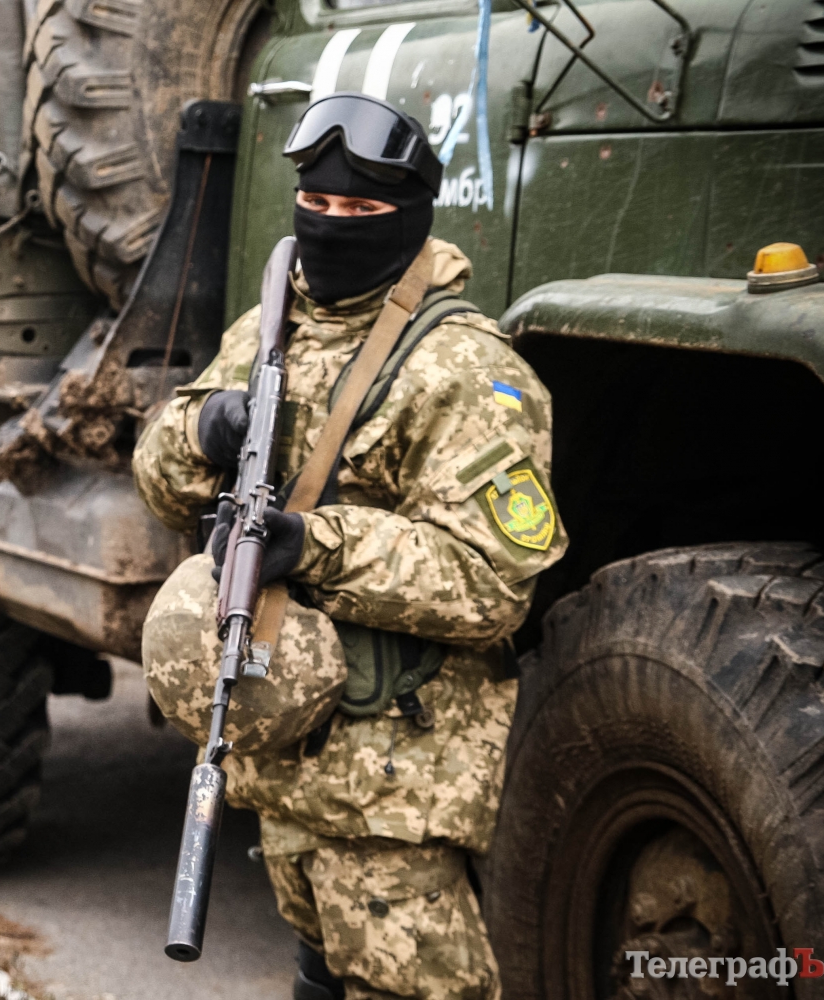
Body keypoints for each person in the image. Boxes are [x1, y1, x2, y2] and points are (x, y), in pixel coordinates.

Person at [134, 93, 567, 1000]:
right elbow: (159, 481)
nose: (332, 226)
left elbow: (491, 584)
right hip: (283, 759)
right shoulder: (271, 327)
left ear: (408, 217)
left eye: (361, 209)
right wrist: (200, 430)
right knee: (318, 976)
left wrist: (315, 544)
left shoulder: (465, 370)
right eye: (317, 204)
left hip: (392, 784)